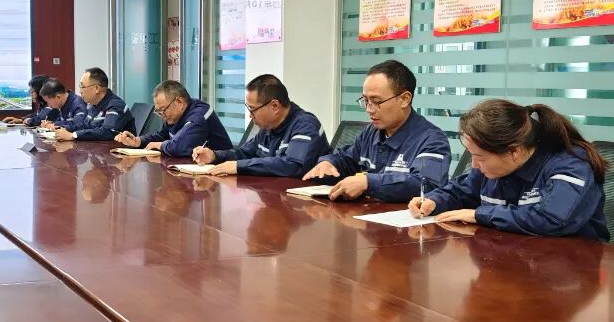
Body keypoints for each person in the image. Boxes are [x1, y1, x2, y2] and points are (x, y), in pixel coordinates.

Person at [409, 99, 609, 241]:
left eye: (480, 157)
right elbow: (462, 191)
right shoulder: (493, 168)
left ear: (514, 151)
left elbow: (551, 219)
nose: (474, 165)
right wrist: (434, 201)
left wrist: (479, 215)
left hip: (571, 269)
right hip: (512, 258)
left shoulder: (572, 164)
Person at [304, 60, 450, 201]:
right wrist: (329, 162)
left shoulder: (431, 139)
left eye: (376, 101)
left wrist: (368, 183)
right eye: (366, 100)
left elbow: (425, 184)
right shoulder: (371, 132)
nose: (369, 109)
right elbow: (348, 158)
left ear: (404, 99)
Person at [192, 74, 329, 177]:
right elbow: (244, 153)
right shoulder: (269, 127)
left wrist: (238, 166)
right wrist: (214, 155)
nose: (250, 115)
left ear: (274, 106)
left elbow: (292, 165)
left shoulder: (305, 125)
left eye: (252, 110)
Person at [114, 80, 232, 157]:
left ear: (179, 101)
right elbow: (162, 135)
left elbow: (179, 146)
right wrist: (138, 141)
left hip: (220, 174)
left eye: (163, 110)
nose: (162, 115)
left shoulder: (199, 114)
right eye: (158, 112)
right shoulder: (175, 116)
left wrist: (160, 145)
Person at [54, 67, 133, 141]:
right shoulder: (94, 104)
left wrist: (73, 135)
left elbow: (108, 131)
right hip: (99, 148)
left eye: (82, 87)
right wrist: (65, 128)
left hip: (118, 149)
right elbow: (85, 126)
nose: (80, 91)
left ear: (96, 88)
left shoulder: (115, 105)